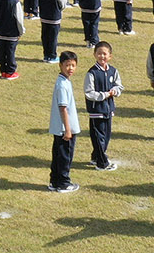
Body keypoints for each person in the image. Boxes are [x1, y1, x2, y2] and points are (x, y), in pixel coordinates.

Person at [83, 41, 121, 170]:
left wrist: (115, 91)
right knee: (98, 137)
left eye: (104, 54)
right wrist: (104, 95)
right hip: (96, 110)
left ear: (110, 56)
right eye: (99, 53)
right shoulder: (92, 73)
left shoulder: (113, 71)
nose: (102, 56)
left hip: (108, 110)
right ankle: (102, 164)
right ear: (95, 55)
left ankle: (96, 157)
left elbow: (118, 85)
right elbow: (89, 93)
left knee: (106, 136)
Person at [49, 50, 81, 193]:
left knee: (58, 155)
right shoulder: (62, 85)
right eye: (67, 65)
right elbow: (63, 108)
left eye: (73, 65)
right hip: (64, 129)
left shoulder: (64, 81)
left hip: (60, 128)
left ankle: (54, 181)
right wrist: (68, 129)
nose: (70, 68)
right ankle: (63, 183)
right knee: (64, 156)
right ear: (60, 65)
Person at [0, 0, 24, 79]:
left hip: (1, 31)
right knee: (10, 52)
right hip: (12, 32)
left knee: (2, 52)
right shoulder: (15, 2)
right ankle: (10, 72)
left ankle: (3, 70)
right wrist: (21, 31)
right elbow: (19, 19)